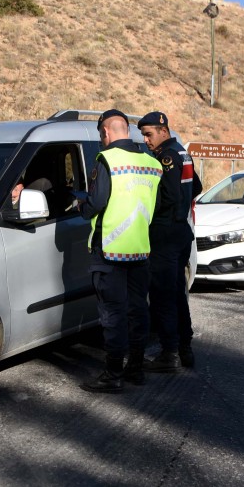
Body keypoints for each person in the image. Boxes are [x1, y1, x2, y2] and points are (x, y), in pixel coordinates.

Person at [77, 109, 162, 393]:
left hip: (110, 251)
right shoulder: (151, 163)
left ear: (105, 132)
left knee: (112, 315)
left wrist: (80, 206)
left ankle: (112, 375)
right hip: (139, 249)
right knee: (138, 311)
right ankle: (135, 369)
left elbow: (96, 202)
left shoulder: (107, 160)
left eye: (101, 135)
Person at [137, 111, 202, 371]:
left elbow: (169, 196)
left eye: (148, 134)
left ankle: (169, 354)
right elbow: (196, 187)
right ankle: (185, 349)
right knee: (176, 293)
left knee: (163, 296)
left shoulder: (166, 157)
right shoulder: (182, 152)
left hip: (165, 234)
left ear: (163, 131)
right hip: (181, 232)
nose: (146, 140)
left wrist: (151, 213)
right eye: (144, 135)